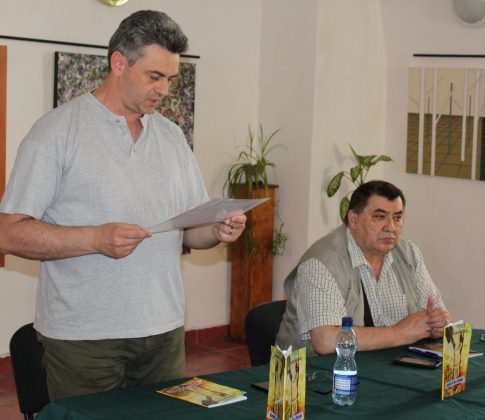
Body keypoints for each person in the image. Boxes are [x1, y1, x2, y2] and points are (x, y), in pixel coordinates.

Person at [0, 10, 246, 400]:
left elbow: (190, 232)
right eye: (154, 76)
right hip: (84, 339)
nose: (164, 90)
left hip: (163, 332)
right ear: (119, 63)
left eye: (171, 79)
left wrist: (216, 230)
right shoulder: (55, 133)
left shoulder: (172, 137)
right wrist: (95, 239)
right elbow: (9, 233)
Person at [276, 180, 450, 356]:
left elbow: (440, 315)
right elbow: (325, 341)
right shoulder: (321, 262)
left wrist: (437, 323)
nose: (391, 227)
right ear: (354, 219)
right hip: (316, 370)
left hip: (382, 364)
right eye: (379, 217)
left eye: (397, 218)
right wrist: (399, 332)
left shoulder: (408, 254)